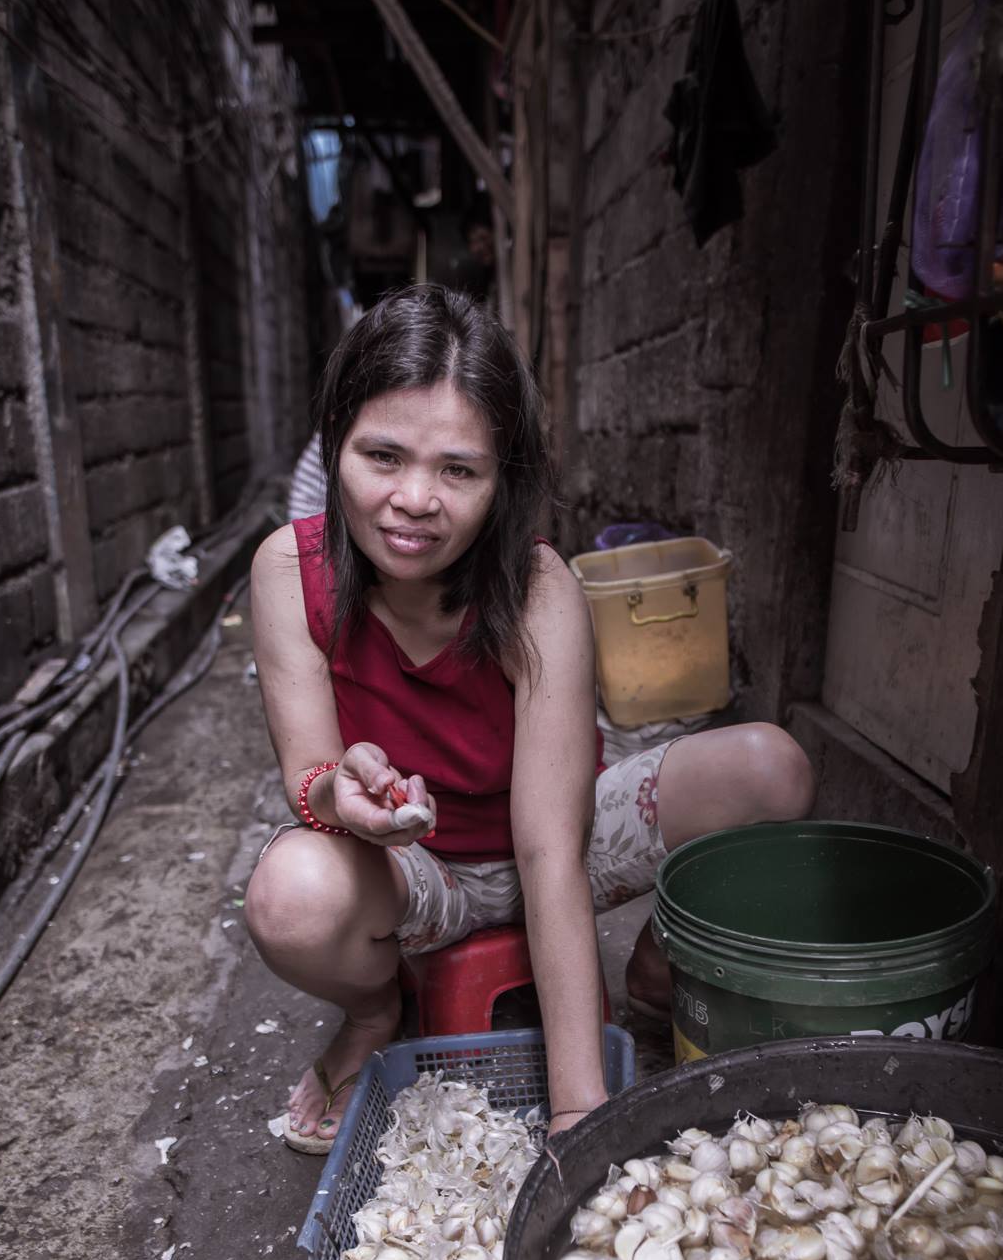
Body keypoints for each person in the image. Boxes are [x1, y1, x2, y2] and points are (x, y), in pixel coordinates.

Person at [245, 286, 815, 1154]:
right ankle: (372, 1012)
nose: (414, 500)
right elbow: (312, 776)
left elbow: (550, 848)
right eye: (382, 456)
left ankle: (663, 966)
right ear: (335, 448)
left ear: (501, 477)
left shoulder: (540, 587)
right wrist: (345, 801)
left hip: (553, 847)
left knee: (772, 769)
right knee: (291, 894)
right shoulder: (288, 569)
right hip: (412, 867)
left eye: (458, 470)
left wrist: (575, 1114)